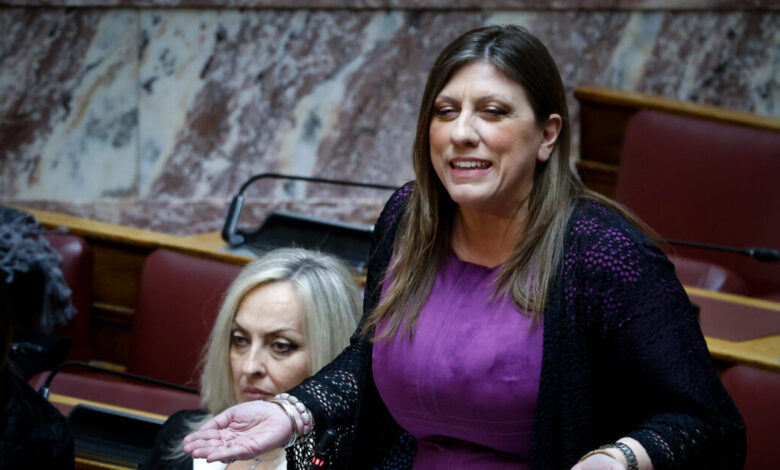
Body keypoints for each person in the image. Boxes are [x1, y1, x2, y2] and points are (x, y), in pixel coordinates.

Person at [182, 25, 746, 470]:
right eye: (445, 111)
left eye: (493, 112)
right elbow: (371, 357)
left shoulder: (604, 254)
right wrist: (293, 410)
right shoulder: (408, 218)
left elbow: (705, 424)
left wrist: (616, 459)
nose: (461, 133)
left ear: (547, 134)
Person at [144, 248, 361, 470]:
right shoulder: (180, 439)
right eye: (240, 339)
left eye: (281, 346)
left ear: (334, 356)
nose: (249, 367)